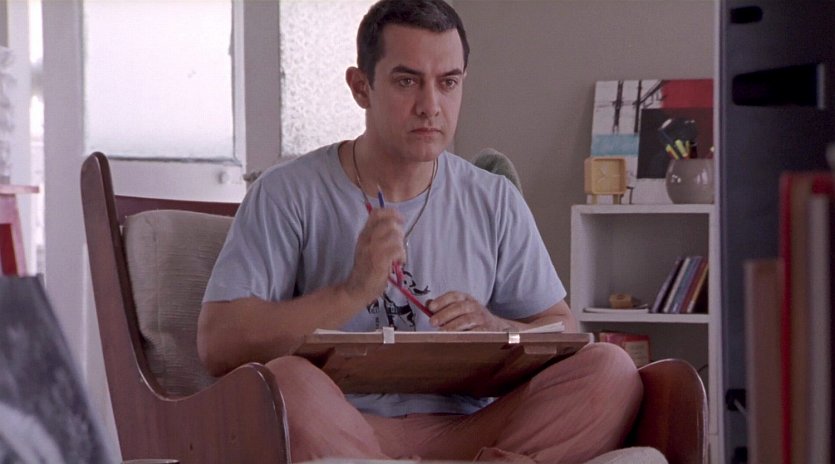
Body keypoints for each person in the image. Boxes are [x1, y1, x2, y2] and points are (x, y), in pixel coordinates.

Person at [198, 0, 642, 462]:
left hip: (472, 431)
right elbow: (218, 344)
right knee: (285, 381)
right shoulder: (285, 192)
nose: (430, 106)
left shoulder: (494, 198)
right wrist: (352, 292)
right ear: (361, 87)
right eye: (407, 81)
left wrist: (498, 328)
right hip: (345, 428)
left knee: (609, 368)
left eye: (448, 83)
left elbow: (563, 329)